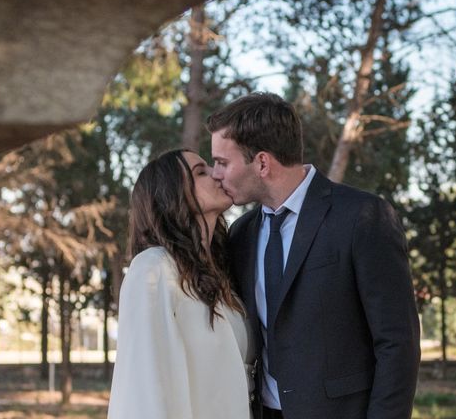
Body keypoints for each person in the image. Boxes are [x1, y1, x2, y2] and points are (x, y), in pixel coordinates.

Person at [206, 92, 421, 419]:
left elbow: (398, 344)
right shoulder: (242, 234)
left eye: (222, 162)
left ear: (262, 162)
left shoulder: (362, 217)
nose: (215, 173)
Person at [108, 149, 257, 419]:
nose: (217, 173)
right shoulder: (153, 269)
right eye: (201, 172)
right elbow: (145, 388)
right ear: (172, 195)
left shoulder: (220, 275)